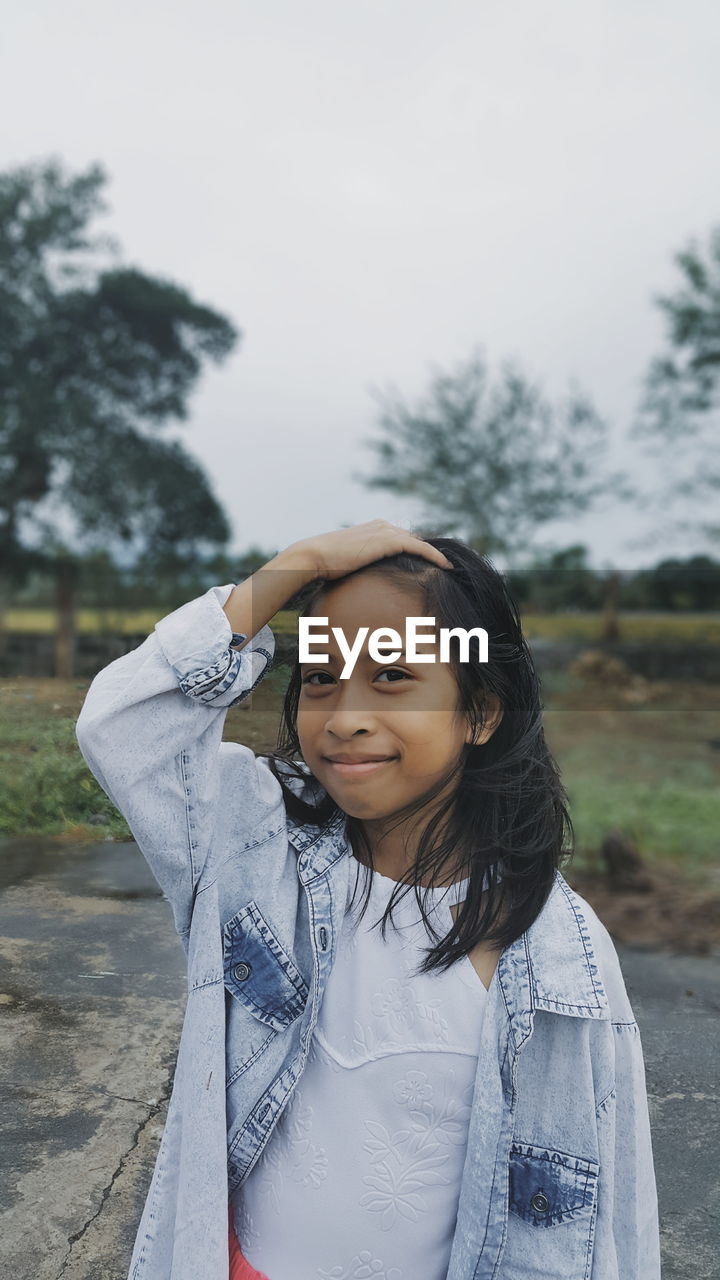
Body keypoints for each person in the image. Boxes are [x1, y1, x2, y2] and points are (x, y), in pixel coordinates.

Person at [75, 518, 661, 1279]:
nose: (345, 717)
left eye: (390, 676)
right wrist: (295, 568)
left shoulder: (563, 959)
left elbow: (616, 1213)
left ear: (480, 711)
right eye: (321, 678)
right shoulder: (253, 849)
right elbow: (123, 727)